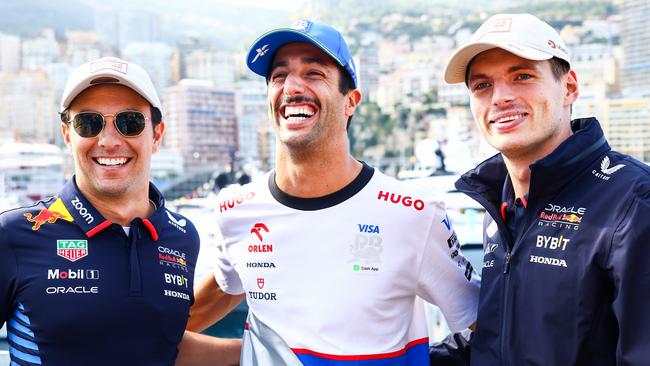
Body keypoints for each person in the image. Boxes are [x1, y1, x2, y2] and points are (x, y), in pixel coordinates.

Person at [181, 20, 480, 365]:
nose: (292, 86)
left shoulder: (414, 212)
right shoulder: (235, 210)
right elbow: (223, 288)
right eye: (279, 76)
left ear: (351, 101)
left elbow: (482, 327)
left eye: (314, 74)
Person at [0, 56, 237, 365]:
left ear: (156, 134)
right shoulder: (15, 234)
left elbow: (162, 343)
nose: (109, 140)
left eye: (129, 122)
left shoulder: (182, 237)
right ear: (68, 135)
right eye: (88, 122)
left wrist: (258, 352)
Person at [444, 13, 650, 365]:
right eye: (482, 85)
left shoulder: (632, 202)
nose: (500, 98)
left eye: (522, 76)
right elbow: (500, 339)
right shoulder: (502, 201)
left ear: (569, 87)